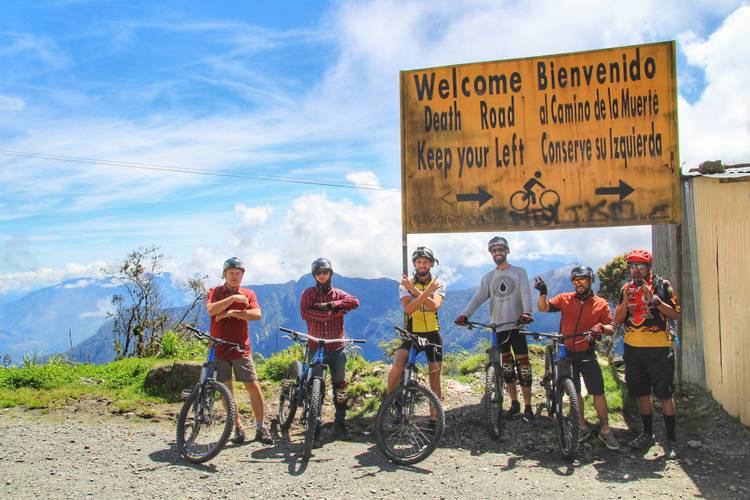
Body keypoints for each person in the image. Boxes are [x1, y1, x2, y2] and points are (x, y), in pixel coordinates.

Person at [535, 265, 620, 450]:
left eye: (582, 280)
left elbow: (610, 327)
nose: (578, 284)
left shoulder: (601, 304)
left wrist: (601, 328)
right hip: (567, 351)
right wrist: (542, 293)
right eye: (575, 281)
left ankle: (605, 429)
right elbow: (543, 308)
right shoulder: (566, 299)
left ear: (590, 281)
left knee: (597, 391)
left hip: (586, 352)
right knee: (574, 391)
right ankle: (581, 425)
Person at [455, 236, 535, 421]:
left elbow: (525, 294)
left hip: (517, 325)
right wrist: (465, 315)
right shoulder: (489, 277)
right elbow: (478, 298)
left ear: (507, 251)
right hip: (499, 327)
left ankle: (528, 406)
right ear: (491, 254)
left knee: (524, 367)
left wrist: (527, 312)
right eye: (494, 251)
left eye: (500, 250)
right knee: (506, 367)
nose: (497, 253)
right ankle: (514, 403)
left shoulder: (519, 272)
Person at [614, 249, 681, 459]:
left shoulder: (663, 285)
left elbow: (676, 313)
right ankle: (647, 433)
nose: (635, 270)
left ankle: (671, 440)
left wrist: (656, 302)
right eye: (632, 266)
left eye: (640, 266)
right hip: (633, 349)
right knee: (641, 392)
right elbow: (618, 319)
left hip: (659, 348)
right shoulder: (626, 288)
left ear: (648, 267)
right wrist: (625, 300)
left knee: (664, 394)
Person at [206, 257, 273, 444]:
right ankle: (237, 427)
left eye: (238, 273)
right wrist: (234, 299)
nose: (235, 276)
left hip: (241, 348)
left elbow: (256, 314)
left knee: (253, 385)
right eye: (231, 273)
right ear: (224, 274)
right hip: (219, 348)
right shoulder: (215, 291)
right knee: (226, 390)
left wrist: (233, 313)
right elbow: (211, 310)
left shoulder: (249, 293)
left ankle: (261, 427)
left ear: (242, 275)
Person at [300, 257, 360, 441]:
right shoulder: (308, 294)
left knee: (340, 386)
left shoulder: (339, 294)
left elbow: (355, 302)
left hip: (336, 346)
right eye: (318, 273)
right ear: (314, 275)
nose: (322, 275)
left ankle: (340, 424)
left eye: (325, 272)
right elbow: (305, 313)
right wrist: (331, 315)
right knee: (315, 387)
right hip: (315, 345)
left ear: (330, 273)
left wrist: (335, 305)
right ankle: (314, 426)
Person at [386, 246, 446, 430]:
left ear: (431, 264)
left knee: (434, 378)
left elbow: (434, 306)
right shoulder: (406, 284)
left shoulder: (439, 283)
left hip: (433, 335)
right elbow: (408, 309)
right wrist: (424, 291)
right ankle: (390, 403)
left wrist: (416, 292)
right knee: (398, 365)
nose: (422, 265)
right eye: (419, 262)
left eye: (425, 262)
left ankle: (434, 418)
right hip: (412, 334)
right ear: (414, 264)